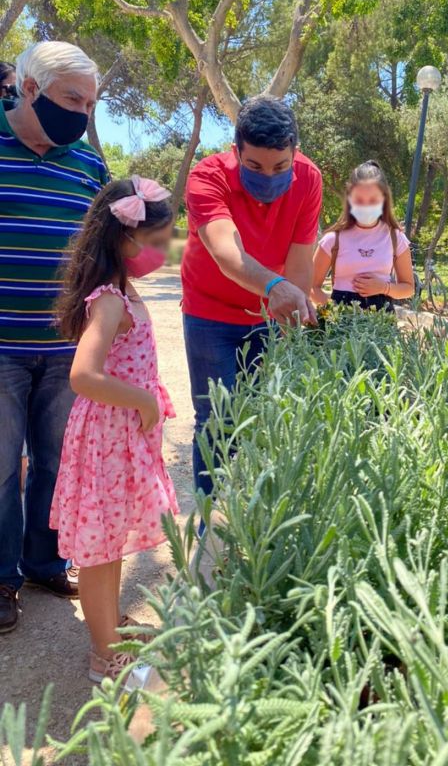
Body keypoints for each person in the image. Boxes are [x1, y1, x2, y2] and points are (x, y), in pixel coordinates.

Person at [50, 177, 179, 682]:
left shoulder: (126, 290)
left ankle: (111, 626)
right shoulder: (109, 300)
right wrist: (143, 399)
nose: (162, 251)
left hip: (122, 440)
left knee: (109, 544)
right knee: (98, 553)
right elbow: (83, 375)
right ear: (122, 238)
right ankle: (105, 654)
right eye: (154, 241)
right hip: (107, 438)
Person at [0, 42, 107, 635]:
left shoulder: (88, 165)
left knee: (55, 462)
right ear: (31, 89)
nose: (82, 115)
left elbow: (104, 249)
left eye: (90, 104)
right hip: (2, 347)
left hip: (67, 348)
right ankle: (1, 577)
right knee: (0, 466)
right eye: (73, 100)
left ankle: (44, 563)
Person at [182, 95, 322, 494]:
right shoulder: (207, 177)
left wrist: (294, 320)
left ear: (294, 152)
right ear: (236, 151)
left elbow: (300, 262)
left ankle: (251, 512)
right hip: (209, 314)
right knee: (217, 419)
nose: (269, 177)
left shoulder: (309, 178)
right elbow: (227, 253)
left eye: (280, 166)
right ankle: (211, 516)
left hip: (267, 315)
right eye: (255, 166)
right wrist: (276, 287)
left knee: (266, 413)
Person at [311, 160, 414, 310]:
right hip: (341, 322)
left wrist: (384, 288)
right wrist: (337, 313)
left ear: (384, 199)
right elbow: (312, 287)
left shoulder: (396, 239)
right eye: (359, 200)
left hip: (382, 322)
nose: (366, 206)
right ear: (349, 199)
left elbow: (408, 288)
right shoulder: (333, 240)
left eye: (373, 200)